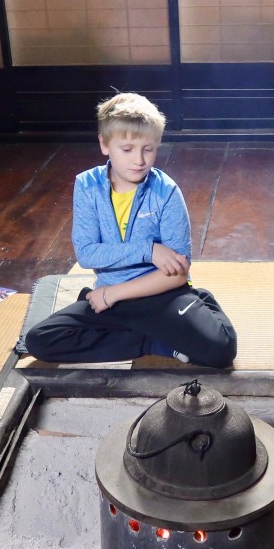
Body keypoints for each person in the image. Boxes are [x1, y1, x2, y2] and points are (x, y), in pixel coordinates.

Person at [24, 93, 237, 367]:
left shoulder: (167, 192)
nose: (139, 160)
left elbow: (177, 273)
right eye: (127, 149)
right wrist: (149, 250)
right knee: (40, 340)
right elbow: (87, 255)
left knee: (221, 350)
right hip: (112, 299)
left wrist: (112, 294)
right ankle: (151, 342)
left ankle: (198, 301)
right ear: (104, 144)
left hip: (157, 294)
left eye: (148, 149)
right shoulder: (87, 186)